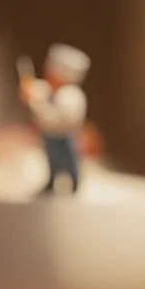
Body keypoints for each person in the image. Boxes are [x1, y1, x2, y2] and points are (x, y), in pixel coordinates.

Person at [19, 43, 91, 195]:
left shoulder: (70, 96)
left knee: (69, 162)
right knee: (52, 162)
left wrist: (36, 104)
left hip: (63, 137)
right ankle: (51, 181)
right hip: (49, 137)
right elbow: (36, 90)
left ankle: (74, 183)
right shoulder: (49, 90)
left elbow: (56, 119)